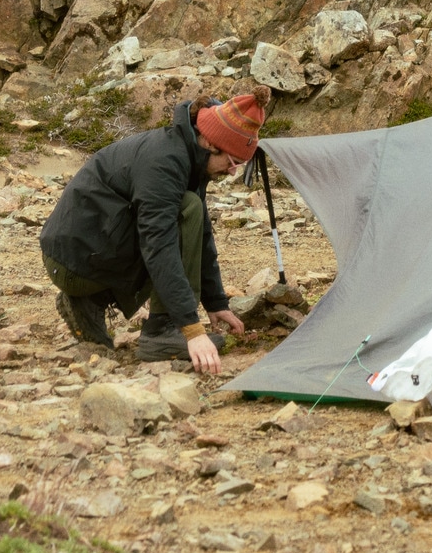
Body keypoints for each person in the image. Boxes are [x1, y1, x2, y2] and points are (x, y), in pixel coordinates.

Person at [39, 92, 264, 376]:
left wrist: (216, 301)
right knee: (185, 213)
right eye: (232, 162)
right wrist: (191, 330)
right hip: (74, 264)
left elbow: (200, 233)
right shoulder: (164, 162)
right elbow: (160, 245)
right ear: (209, 142)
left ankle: (89, 301)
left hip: (85, 254)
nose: (232, 172)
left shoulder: (186, 153)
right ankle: (161, 330)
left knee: (190, 212)